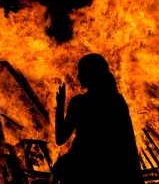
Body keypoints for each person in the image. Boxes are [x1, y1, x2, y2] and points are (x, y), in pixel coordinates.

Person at [53, 54, 144, 184]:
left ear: (91, 75)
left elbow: (60, 138)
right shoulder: (116, 100)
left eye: (81, 72)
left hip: (81, 169)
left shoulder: (79, 102)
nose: (78, 77)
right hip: (113, 170)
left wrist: (60, 105)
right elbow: (127, 142)